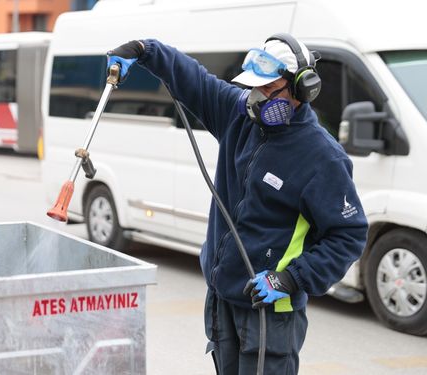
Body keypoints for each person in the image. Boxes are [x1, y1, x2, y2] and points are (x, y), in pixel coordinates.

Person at [107, 35, 368, 375]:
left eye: (269, 90)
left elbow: (348, 235)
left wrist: (290, 279)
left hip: (270, 311)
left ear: (302, 90)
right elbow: (195, 81)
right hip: (222, 298)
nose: (256, 99)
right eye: (253, 88)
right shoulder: (240, 116)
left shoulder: (321, 157)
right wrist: (145, 51)